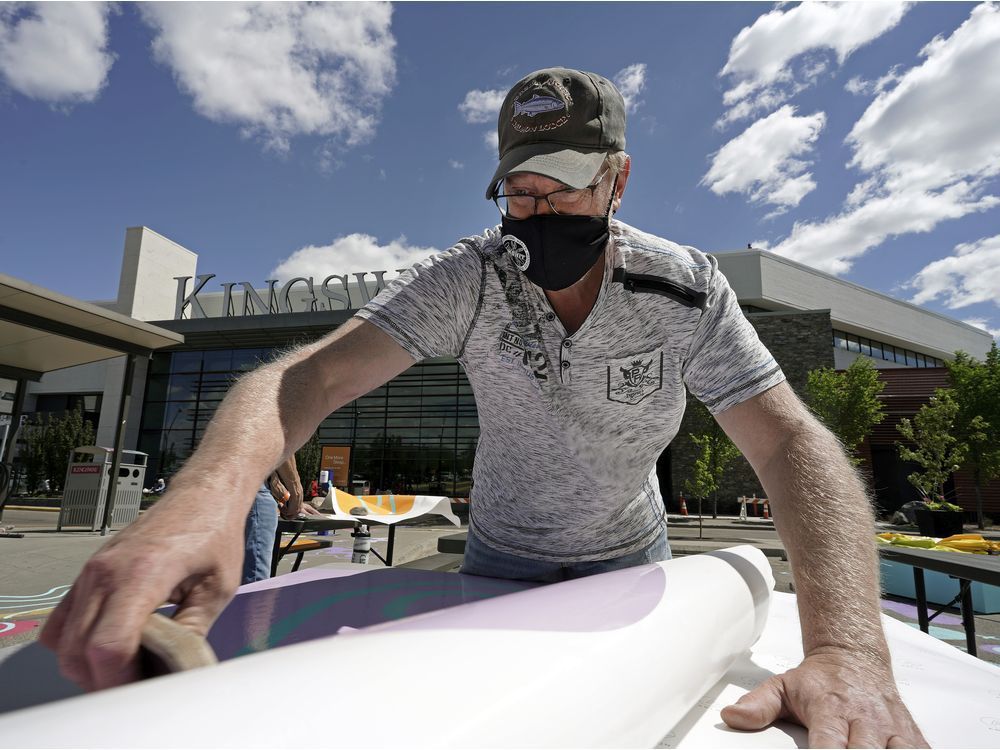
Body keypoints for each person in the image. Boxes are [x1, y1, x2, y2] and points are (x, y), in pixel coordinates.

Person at [42, 67, 926, 747]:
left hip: (634, 563)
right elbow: (303, 380)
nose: (537, 212)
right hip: (496, 565)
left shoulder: (684, 293)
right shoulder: (472, 276)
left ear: (619, 180)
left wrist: (846, 650)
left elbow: (788, 447)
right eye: (520, 191)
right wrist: (204, 499)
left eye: (565, 188)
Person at [242, 455, 322, 584]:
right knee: (254, 584)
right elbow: (280, 439)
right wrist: (296, 491)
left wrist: (283, 495)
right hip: (251, 481)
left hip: (221, 478)